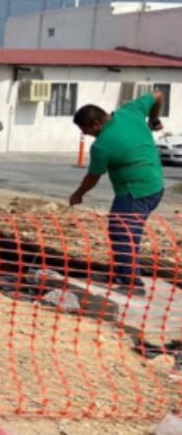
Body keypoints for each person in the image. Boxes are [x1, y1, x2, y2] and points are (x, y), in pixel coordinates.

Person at [69, 91, 165, 292]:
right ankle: (125, 273)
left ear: (96, 125)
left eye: (84, 129)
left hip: (135, 192)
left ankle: (130, 283)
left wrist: (78, 194)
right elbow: (158, 95)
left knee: (122, 233)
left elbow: (92, 177)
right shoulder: (130, 111)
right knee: (131, 232)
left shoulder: (102, 146)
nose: (85, 134)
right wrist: (154, 118)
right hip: (156, 186)